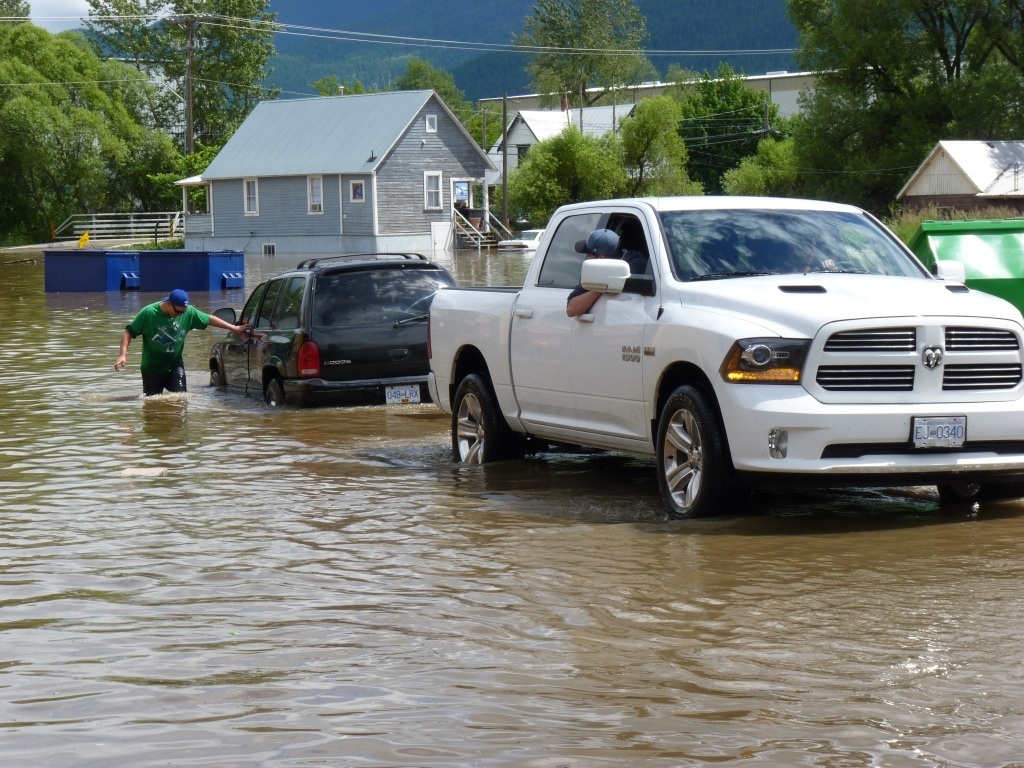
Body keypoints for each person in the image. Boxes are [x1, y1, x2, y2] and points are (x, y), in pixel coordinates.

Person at [114, 288, 250, 396]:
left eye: (183, 312)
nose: (180, 315)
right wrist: (123, 355)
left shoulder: (187, 312)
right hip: (152, 369)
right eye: (178, 312)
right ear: (168, 304)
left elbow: (210, 319)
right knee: (153, 406)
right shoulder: (148, 313)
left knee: (180, 400)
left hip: (174, 365)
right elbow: (129, 332)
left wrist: (235, 328)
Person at [566, 228, 648, 317]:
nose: (588, 259)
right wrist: (599, 289)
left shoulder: (636, 262)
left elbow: (618, 288)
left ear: (601, 258)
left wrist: (602, 286)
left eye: (589, 255)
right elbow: (571, 310)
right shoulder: (595, 273)